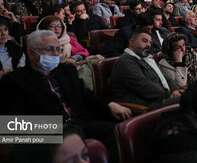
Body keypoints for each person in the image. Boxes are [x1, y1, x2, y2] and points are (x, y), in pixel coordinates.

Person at [0, 30, 132, 160]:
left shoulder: (67, 70)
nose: (55, 54)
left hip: (81, 123)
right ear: (31, 53)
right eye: (49, 49)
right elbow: (15, 122)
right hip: (51, 133)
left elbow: (86, 96)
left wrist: (110, 104)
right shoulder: (14, 81)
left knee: (120, 132)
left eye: (58, 49)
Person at [110, 29, 180, 110]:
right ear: (132, 42)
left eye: (150, 42)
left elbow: (165, 77)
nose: (149, 45)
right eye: (145, 41)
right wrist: (168, 94)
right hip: (146, 106)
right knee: (192, 96)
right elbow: (144, 87)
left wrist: (175, 90)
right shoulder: (125, 61)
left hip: (161, 99)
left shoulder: (146, 59)